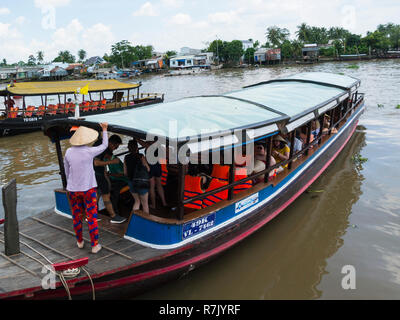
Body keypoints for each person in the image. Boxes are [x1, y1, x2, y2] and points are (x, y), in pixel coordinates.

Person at [63, 123, 109, 254]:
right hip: (88, 189)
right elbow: (104, 146)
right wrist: (104, 129)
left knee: (77, 216)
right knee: (91, 217)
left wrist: (70, 183)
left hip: (73, 189)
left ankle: (80, 242)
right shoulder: (89, 151)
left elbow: (67, 171)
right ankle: (95, 245)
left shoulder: (68, 152)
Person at [94, 134, 127, 224]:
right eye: (116, 146)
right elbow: (96, 163)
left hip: (96, 173)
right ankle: (113, 216)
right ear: (112, 144)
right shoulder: (102, 147)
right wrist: (112, 161)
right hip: (96, 173)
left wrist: (106, 177)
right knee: (106, 195)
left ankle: (92, 215)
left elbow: (103, 163)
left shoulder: (101, 144)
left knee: (97, 193)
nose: (115, 149)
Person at [124, 140, 151, 214]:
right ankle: (146, 222)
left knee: (137, 201)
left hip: (131, 182)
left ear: (128, 148)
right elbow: (148, 169)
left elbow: (125, 173)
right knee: (145, 204)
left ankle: (134, 219)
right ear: (137, 148)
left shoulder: (126, 157)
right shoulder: (141, 156)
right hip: (141, 182)